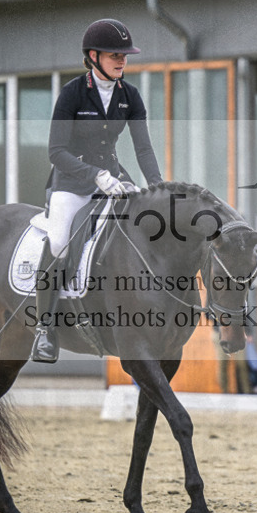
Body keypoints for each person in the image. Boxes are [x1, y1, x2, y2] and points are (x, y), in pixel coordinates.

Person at [31, 19, 164, 363]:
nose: (122, 61)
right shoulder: (73, 93)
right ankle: (45, 329)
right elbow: (55, 151)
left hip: (115, 179)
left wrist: (159, 189)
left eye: (125, 55)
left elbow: (144, 149)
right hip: (72, 184)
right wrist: (95, 176)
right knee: (59, 241)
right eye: (114, 55)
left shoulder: (129, 96)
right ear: (93, 56)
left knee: (135, 234)